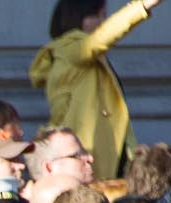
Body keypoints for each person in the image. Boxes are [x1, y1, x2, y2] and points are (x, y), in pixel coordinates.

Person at [31, 0, 164, 181]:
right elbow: (101, 39)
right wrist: (142, 5)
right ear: (77, 18)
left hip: (103, 155)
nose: (103, 20)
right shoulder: (68, 48)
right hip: (83, 155)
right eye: (97, 15)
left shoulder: (84, 56)